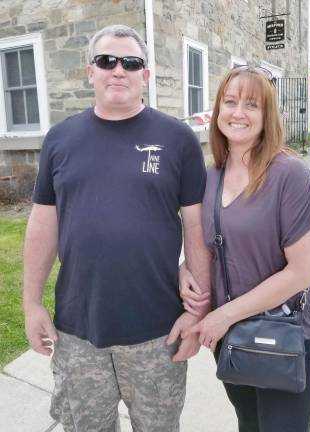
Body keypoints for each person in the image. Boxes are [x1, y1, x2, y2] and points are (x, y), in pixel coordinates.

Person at [23, 24, 211, 432]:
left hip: (157, 331)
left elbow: (196, 228)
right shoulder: (59, 140)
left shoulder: (178, 139)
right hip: (77, 330)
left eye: (131, 62)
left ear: (145, 75)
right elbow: (42, 224)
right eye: (106, 61)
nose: (118, 70)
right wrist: (32, 302)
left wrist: (197, 313)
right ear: (90, 72)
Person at [180, 65, 310, 432]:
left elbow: (301, 272)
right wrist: (184, 270)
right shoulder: (209, 176)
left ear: (267, 116)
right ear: (217, 111)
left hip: (286, 334)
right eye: (230, 102)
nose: (238, 113)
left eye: (252, 105)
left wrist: (224, 314)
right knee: (249, 424)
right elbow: (207, 245)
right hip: (232, 338)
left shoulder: (290, 174)